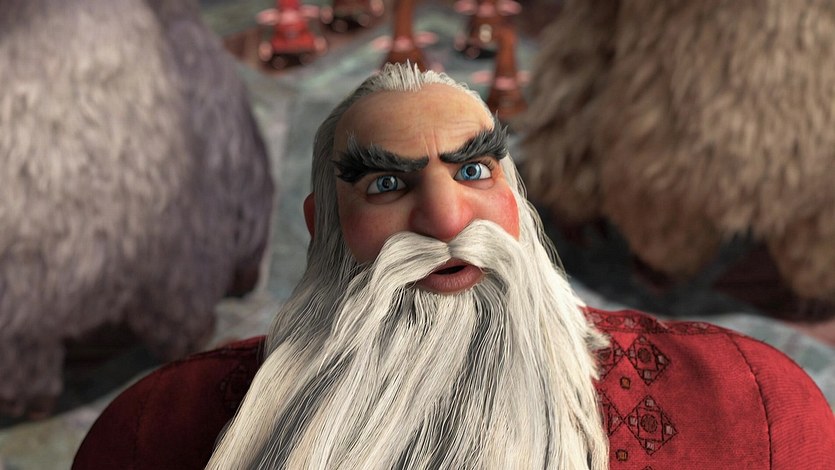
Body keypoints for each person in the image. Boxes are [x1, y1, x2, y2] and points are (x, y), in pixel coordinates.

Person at [73, 63, 835, 469]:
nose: (445, 222)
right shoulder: (155, 431)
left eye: (473, 172)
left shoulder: (751, 403)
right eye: (384, 184)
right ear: (322, 230)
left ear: (517, 205)